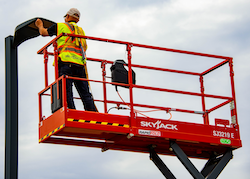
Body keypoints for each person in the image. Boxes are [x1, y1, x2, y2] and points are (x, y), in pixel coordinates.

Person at [35, 8, 98, 112]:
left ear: (67, 16)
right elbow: (85, 47)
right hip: (79, 65)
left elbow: (43, 32)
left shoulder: (60, 26)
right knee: (85, 93)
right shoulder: (81, 31)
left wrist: (39, 25)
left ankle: (71, 111)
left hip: (65, 63)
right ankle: (92, 113)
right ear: (77, 20)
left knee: (66, 91)